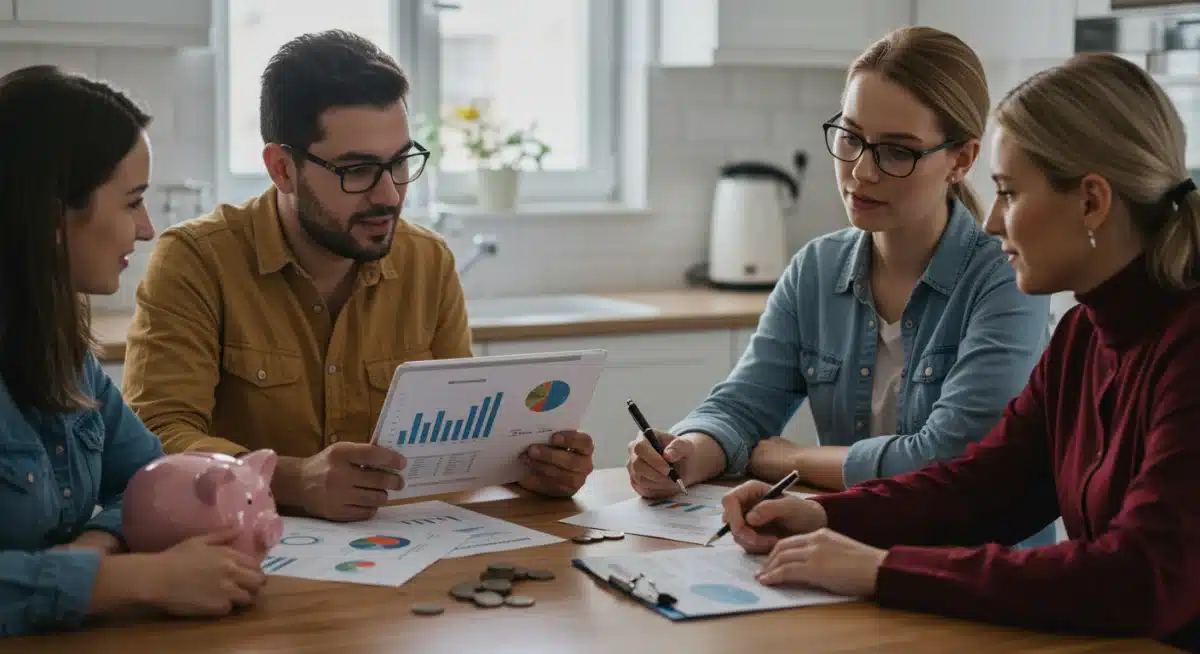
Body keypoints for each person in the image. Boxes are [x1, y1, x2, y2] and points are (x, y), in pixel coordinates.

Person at [718, 52, 1200, 650]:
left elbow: (1139, 578)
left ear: (1092, 201)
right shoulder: (1083, 335)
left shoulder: (1187, 350)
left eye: (1010, 193)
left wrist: (880, 570)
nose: (994, 221)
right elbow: (987, 486)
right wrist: (826, 517)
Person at [122, 30, 595, 523]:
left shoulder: (428, 263)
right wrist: (295, 479)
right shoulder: (196, 261)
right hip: (246, 550)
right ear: (283, 169)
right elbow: (159, 437)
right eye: (358, 170)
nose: (389, 194)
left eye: (399, 164)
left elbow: (461, 439)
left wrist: (525, 468)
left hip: (398, 556)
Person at [626, 28, 1055, 546]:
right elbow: (742, 406)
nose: (860, 171)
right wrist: (687, 452)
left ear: (961, 159)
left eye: (897, 152)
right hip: (846, 560)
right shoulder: (816, 268)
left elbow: (949, 457)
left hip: (972, 575)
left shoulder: (1006, 277)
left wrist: (793, 459)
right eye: (850, 138)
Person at [0, 66, 268, 637]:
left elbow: (149, 476)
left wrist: (96, 544)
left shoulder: (63, 352)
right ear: (52, 214)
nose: (146, 230)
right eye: (132, 203)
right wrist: (136, 581)